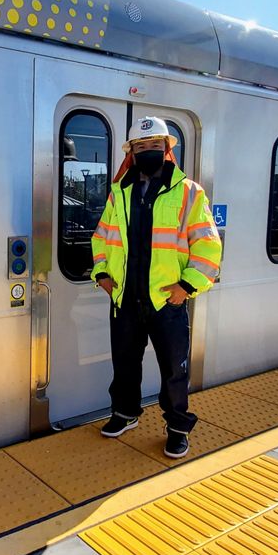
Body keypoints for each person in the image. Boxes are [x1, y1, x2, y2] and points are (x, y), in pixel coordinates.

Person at [91, 117, 222, 459]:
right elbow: (102, 237)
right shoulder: (119, 192)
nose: (148, 152)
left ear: (166, 149)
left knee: (173, 370)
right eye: (140, 147)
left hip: (168, 300)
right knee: (124, 363)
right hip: (125, 297)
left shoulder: (189, 192)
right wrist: (102, 275)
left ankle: (178, 428)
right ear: (131, 152)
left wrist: (187, 286)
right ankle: (125, 412)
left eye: (154, 146)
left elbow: (208, 246)